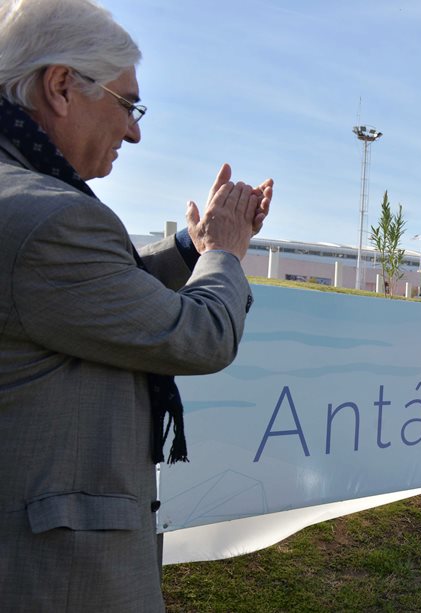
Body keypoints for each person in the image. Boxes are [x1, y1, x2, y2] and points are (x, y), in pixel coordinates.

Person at [0, 1, 274, 608]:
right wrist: (225, 253)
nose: (135, 131)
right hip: (57, 576)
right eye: (128, 105)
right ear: (62, 86)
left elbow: (93, 288)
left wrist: (189, 247)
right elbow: (198, 335)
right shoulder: (52, 219)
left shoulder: (23, 201)